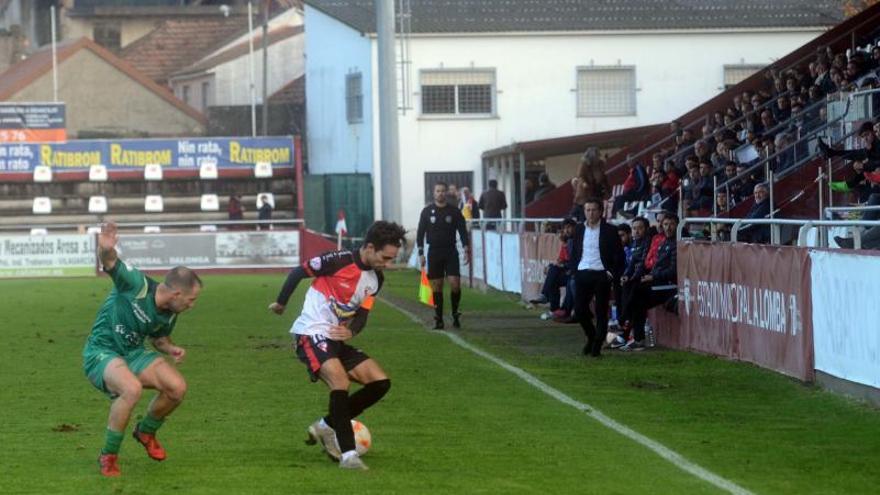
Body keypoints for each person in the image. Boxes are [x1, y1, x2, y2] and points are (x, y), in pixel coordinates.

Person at [269, 220, 407, 471]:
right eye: (385, 257)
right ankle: (348, 456)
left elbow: (363, 315)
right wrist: (281, 303)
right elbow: (298, 272)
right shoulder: (338, 260)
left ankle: (326, 425)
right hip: (311, 333)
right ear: (369, 247)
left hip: (336, 338)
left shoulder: (376, 279)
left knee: (380, 382)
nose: (387, 264)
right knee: (340, 382)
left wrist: (350, 331)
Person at [83, 222, 203, 477]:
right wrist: (105, 249)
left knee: (177, 388)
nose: (192, 306)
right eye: (191, 300)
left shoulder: (170, 313)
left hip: (133, 354)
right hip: (101, 352)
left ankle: (146, 431)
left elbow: (159, 340)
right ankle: (108, 455)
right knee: (131, 389)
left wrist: (171, 349)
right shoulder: (135, 284)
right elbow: (111, 262)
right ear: (177, 293)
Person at [569, 198, 625, 357]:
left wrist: (610, 273)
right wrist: (574, 270)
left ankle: (597, 344)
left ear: (600, 211)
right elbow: (575, 252)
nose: (591, 213)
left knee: (601, 311)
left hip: (601, 273)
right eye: (587, 210)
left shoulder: (610, 230)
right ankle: (592, 335)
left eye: (594, 210)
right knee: (579, 310)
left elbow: (619, 256)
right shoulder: (579, 229)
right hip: (582, 272)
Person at [417, 182, 471, 329]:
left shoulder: (453, 211)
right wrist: (421, 252)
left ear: (446, 193)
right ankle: (439, 318)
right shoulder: (427, 212)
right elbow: (420, 233)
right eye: (437, 191)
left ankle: (455, 313)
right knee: (437, 287)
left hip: (450, 251)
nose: (440, 193)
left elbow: (462, 230)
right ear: (434, 193)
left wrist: (466, 248)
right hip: (434, 251)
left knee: (455, 284)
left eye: (442, 191)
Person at [622, 214, 679, 351]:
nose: (668, 227)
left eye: (671, 224)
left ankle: (623, 320)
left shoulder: (677, 243)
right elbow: (654, 265)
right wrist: (650, 275)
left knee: (637, 291)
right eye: (665, 224)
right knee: (636, 297)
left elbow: (673, 271)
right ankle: (637, 338)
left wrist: (653, 277)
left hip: (668, 285)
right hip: (657, 282)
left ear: (678, 225)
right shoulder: (663, 242)